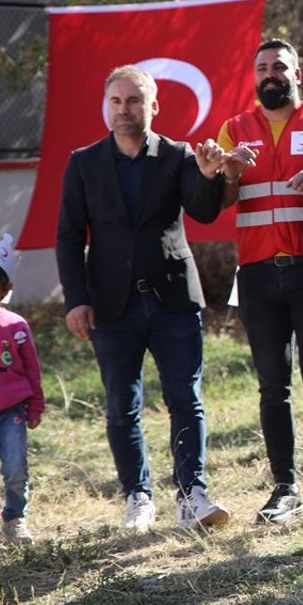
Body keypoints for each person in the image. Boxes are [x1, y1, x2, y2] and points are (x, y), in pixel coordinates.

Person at [56, 65, 230, 531]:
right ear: (106, 106)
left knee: (185, 400)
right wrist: (76, 299)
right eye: (116, 101)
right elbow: (70, 238)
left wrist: (210, 175)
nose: (124, 109)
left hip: (172, 301)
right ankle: (138, 497)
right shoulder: (84, 162)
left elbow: (205, 210)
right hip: (112, 306)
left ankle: (192, 494)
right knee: (121, 405)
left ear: (154, 106)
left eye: (134, 101)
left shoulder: (177, 155)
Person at [203, 38, 303, 528]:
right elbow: (225, 200)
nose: (270, 75)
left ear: (298, 74)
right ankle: (284, 488)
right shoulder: (235, 129)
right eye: (263, 69)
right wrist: (225, 174)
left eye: (279, 67)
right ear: (255, 78)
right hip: (257, 275)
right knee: (273, 387)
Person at [0, 235, 43, 545]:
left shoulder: (16, 326)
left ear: (4, 289)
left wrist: (36, 404)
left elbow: (31, 367)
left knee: (15, 469)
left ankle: (15, 518)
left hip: (11, 410)